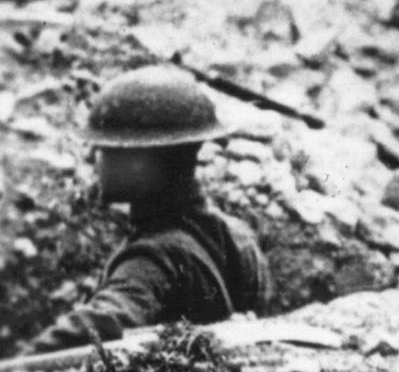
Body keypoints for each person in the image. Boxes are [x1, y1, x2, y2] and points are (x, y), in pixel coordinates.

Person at [21, 66, 269, 354]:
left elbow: (105, 320)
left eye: (107, 149)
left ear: (142, 159)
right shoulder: (239, 237)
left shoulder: (152, 258)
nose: (94, 157)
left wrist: (17, 366)